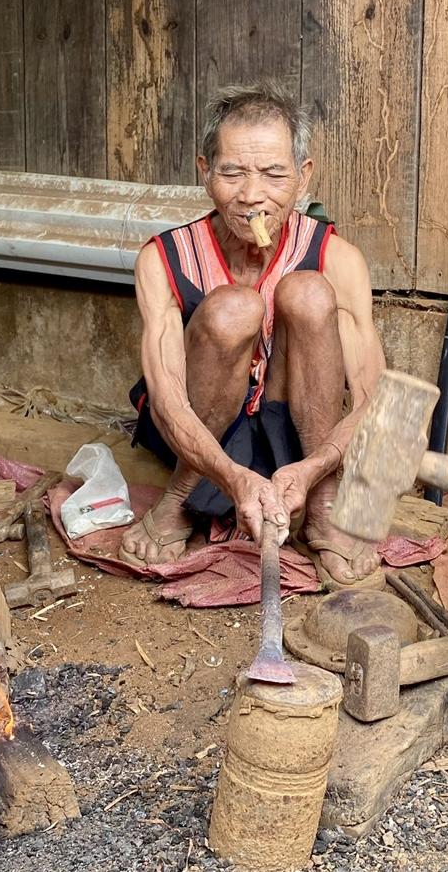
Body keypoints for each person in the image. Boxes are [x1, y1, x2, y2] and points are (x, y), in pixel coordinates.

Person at [121, 84, 386, 590]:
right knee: (234, 308)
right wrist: (232, 475)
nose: (251, 195)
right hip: (200, 430)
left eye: (273, 174)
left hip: (298, 428)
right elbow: (167, 403)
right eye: (232, 173)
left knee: (308, 293)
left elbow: (373, 401)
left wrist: (313, 473)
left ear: (303, 176)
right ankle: (180, 497)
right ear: (205, 173)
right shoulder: (163, 257)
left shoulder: (338, 257)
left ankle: (326, 503)